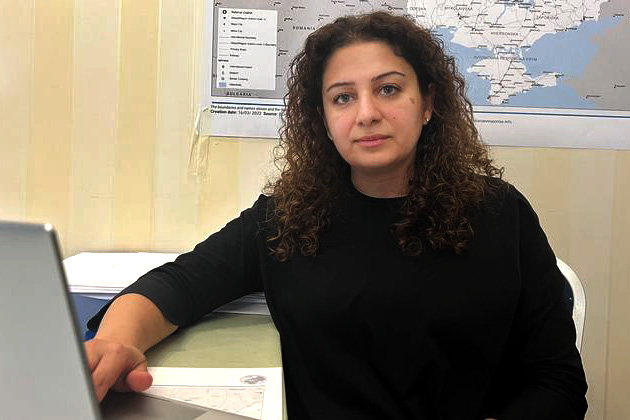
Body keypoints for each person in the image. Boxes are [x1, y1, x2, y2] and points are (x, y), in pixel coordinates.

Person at [85, 11, 588, 419]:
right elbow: (178, 285)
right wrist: (114, 343)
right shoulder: (288, 216)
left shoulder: (501, 214)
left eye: (388, 89)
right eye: (343, 97)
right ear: (324, 121)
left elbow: (556, 380)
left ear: (429, 102)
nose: (366, 112)